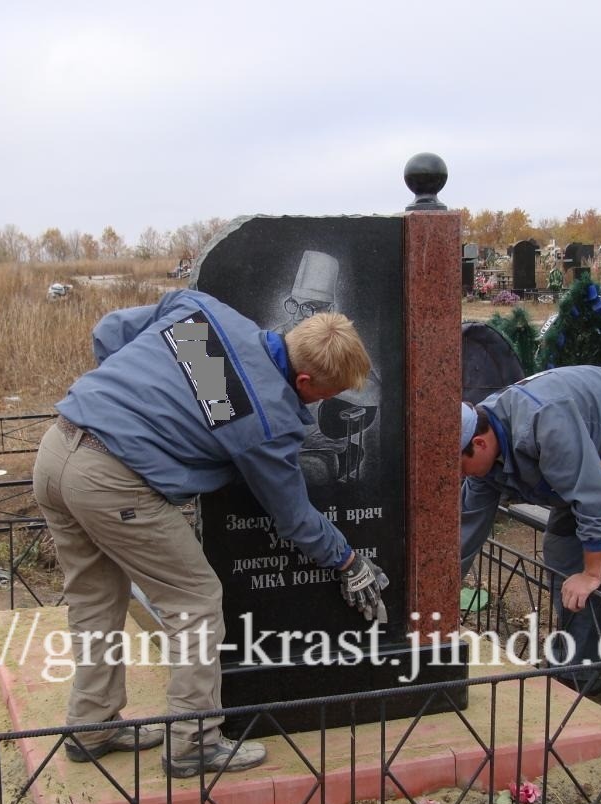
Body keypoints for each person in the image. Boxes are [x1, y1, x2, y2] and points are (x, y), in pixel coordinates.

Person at [33, 288, 387, 778]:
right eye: (325, 396)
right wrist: (348, 559)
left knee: (96, 597)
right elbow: (293, 516)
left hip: (57, 450)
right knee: (195, 603)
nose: (321, 404)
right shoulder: (266, 418)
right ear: (305, 380)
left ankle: (91, 727)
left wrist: (127, 402)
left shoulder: (202, 311)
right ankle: (194, 743)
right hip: (113, 484)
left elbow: (109, 330)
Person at [458, 366, 601, 735]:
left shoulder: (544, 423)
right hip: (587, 460)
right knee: (562, 553)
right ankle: (580, 671)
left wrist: (593, 574)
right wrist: (441, 592)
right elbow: (466, 529)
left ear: (479, 444)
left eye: (461, 466)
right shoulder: (483, 441)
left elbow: (595, 502)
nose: (461, 475)